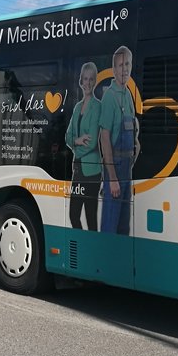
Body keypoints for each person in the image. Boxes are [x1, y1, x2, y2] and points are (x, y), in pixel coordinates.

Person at [98, 45, 139, 235]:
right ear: (114, 69)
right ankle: (105, 263)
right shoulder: (110, 97)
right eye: (121, 65)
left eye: (128, 64)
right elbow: (104, 138)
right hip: (115, 169)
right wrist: (112, 179)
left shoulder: (128, 95)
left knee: (124, 226)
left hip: (127, 171)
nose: (125, 69)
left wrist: (136, 143)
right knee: (110, 225)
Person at [65, 61, 102, 230]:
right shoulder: (77, 107)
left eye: (91, 79)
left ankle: (93, 252)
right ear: (80, 80)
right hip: (78, 170)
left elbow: (93, 142)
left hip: (92, 171)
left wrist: (75, 144)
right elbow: (67, 136)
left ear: (95, 82)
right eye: (85, 79)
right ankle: (83, 245)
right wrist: (77, 140)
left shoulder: (98, 107)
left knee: (91, 218)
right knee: (73, 216)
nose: (87, 83)